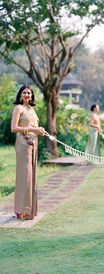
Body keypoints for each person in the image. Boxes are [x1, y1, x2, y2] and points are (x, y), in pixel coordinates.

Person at [11, 85, 45, 220]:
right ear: (20, 95)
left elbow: (34, 127)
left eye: (29, 93)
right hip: (23, 144)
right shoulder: (18, 108)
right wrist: (32, 130)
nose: (27, 95)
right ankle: (20, 210)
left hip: (33, 144)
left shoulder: (31, 109)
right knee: (25, 176)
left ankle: (30, 209)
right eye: (24, 92)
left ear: (31, 96)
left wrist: (40, 130)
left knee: (32, 176)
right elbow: (14, 128)